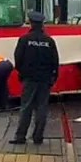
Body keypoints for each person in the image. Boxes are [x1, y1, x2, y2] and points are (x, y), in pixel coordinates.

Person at [10, 10, 59, 145]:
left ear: (31, 24)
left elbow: (18, 58)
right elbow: (55, 61)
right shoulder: (49, 41)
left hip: (29, 79)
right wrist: (53, 78)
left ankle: (20, 137)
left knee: (26, 107)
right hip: (44, 80)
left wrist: (22, 73)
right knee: (41, 108)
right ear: (42, 25)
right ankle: (38, 137)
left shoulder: (24, 39)